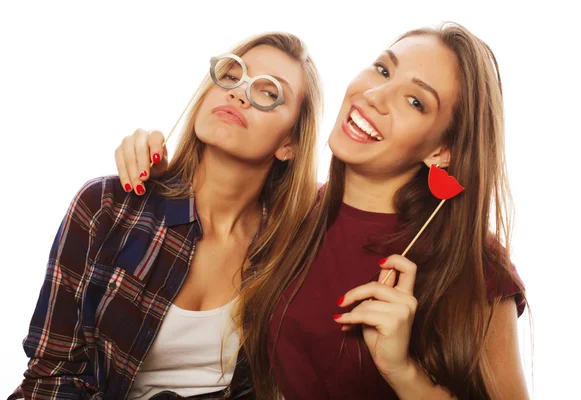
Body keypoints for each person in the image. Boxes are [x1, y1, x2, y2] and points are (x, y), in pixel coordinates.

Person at [115, 22, 529, 399]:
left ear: (441, 150)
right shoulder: (287, 217)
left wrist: (405, 373)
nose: (375, 96)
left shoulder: (472, 263)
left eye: (416, 102)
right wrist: (157, 172)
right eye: (383, 70)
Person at [10, 31, 323, 400]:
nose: (239, 92)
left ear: (290, 144)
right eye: (233, 74)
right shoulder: (107, 206)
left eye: (269, 92)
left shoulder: (293, 247)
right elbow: (51, 376)